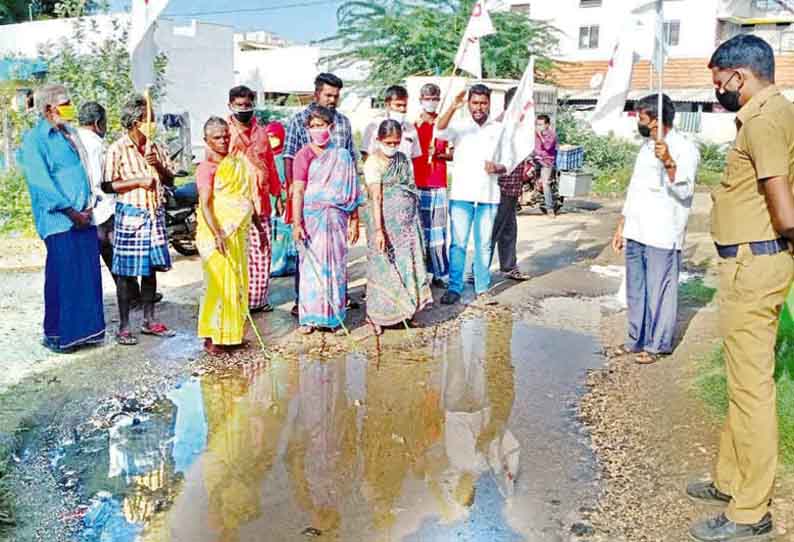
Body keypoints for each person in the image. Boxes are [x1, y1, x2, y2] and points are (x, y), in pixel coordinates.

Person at [686, 35, 794, 542]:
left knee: (752, 391)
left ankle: (752, 511)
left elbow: (784, 210)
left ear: (739, 75)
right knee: (742, 381)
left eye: (717, 81)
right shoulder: (771, 114)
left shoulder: (765, 120)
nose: (716, 90)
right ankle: (732, 480)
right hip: (751, 262)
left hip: (756, 263)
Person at [610, 94, 699, 365]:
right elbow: (635, 188)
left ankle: (657, 344)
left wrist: (669, 161)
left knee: (660, 289)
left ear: (657, 119)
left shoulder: (685, 148)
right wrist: (621, 225)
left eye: (641, 116)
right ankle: (635, 338)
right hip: (637, 229)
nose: (638, 121)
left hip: (663, 231)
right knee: (636, 288)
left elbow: (685, 190)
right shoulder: (645, 148)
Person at [18, 84, 105, 353]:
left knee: (87, 275)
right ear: (48, 109)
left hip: (84, 214)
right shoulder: (35, 140)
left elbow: (85, 170)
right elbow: (40, 183)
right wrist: (70, 211)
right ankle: (59, 335)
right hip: (59, 219)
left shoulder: (70, 134)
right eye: (64, 103)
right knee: (63, 276)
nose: (69, 108)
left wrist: (89, 206)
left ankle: (88, 332)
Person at [284, 73, 357, 317]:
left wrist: (353, 213)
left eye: (336, 96)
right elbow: (289, 157)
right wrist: (291, 195)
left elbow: (350, 164)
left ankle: (336, 305)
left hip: (337, 210)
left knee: (336, 259)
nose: (333, 100)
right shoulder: (298, 121)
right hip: (309, 207)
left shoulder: (344, 123)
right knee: (308, 259)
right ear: (317, 94)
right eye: (328, 95)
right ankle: (304, 305)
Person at [105, 95, 176, 345]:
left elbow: (170, 181)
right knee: (125, 273)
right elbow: (107, 185)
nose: (153, 124)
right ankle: (124, 326)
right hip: (131, 216)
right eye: (149, 119)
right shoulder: (117, 149)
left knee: (151, 270)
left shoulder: (155, 148)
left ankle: (149, 320)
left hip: (154, 214)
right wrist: (137, 181)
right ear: (136, 121)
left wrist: (158, 167)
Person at [291, 105, 363, 335]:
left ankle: (335, 317)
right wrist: (296, 223)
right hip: (312, 219)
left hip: (337, 219)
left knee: (336, 267)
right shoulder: (303, 155)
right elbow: (298, 191)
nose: (317, 130)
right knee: (311, 267)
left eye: (321, 125)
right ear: (307, 129)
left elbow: (352, 191)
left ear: (331, 127)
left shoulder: (341, 155)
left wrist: (354, 220)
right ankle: (310, 318)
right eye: (312, 126)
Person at [435, 84, 507, 305]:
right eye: (474, 103)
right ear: (469, 104)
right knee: (458, 243)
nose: (479, 107)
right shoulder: (460, 126)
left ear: (489, 104)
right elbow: (439, 130)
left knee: (484, 243)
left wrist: (498, 168)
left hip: (488, 195)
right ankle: (454, 288)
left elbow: (509, 162)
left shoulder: (498, 129)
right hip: (462, 194)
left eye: (483, 103)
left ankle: (482, 289)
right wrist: (453, 107)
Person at [363, 119, 433, 335]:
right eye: (389, 142)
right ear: (379, 140)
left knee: (406, 266)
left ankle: (405, 312)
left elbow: (410, 186)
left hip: (406, 227)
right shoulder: (372, 163)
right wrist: (378, 230)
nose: (392, 146)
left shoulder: (403, 159)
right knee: (382, 267)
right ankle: (375, 316)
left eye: (396, 142)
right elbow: (376, 196)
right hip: (382, 223)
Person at [196, 117, 257, 356]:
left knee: (236, 282)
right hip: (216, 234)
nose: (223, 141)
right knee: (218, 285)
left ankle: (231, 336)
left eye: (225, 136)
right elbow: (205, 204)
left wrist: (258, 225)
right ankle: (213, 338)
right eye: (217, 138)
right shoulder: (205, 169)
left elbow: (244, 199)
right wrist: (217, 233)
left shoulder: (236, 163)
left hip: (237, 233)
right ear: (206, 141)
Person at [227, 85, 282, 314]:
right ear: (230, 105)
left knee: (261, 251)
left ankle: (257, 301)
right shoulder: (224, 132)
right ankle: (236, 301)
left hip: (261, 203)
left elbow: (270, 163)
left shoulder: (261, 132)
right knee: (237, 253)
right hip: (234, 204)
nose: (244, 109)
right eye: (239, 105)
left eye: (248, 105)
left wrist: (278, 195)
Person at [413, 83, 453, 288]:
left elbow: (453, 153)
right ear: (420, 99)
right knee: (420, 231)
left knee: (438, 232)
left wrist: (438, 154)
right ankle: (422, 272)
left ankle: (439, 272)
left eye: (435, 98)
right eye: (428, 98)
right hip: (418, 183)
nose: (431, 101)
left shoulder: (444, 125)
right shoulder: (413, 124)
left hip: (438, 183)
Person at [491, 87, 531, 282]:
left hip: (513, 185)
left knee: (508, 228)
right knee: (494, 227)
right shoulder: (499, 125)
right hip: (500, 185)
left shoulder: (521, 125)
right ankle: (478, 270)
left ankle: (508, 266)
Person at [361, 85, 421, 164]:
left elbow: (415, 158)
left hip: (404, 174)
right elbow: (366, 155)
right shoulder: (374, 127)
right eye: (398, 105)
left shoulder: (411, 129)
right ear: (387, 105)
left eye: (404, 105)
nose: (402, 109)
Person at [531, 114, 559, 216]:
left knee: (545, 183)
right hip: (535, 159)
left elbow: (547, 147)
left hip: (547, 161)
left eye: (541, 124)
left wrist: (540, 136)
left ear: (547, 125)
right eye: (537, 124)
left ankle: (550, 209)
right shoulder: (534, 134)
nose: (538, 126)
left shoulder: (552, 135)